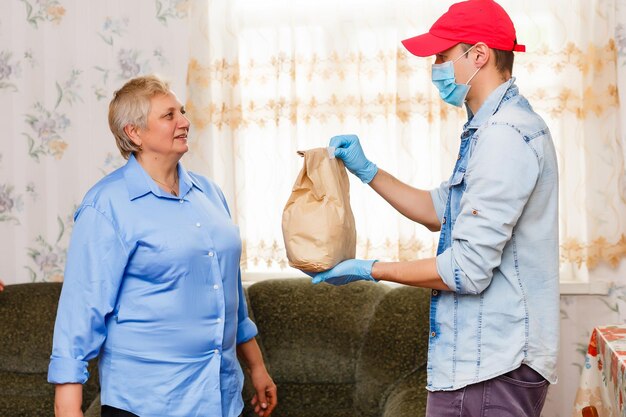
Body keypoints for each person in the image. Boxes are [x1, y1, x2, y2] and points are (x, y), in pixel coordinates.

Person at [313, 1, 559, 416]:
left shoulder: (504, 137)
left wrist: (371, 269)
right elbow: (438, 208)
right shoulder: (490, 129)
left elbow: (466, 270)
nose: (436, 69)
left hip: (491, 364)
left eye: (443, 57)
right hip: (487, 360)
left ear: (478, 55)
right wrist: (367, 171)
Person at [48, 75, 276, 417]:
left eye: (181, 111)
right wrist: (67, 406)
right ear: (134, 133)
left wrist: (256, 367)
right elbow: (81, 310)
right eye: (169, 115)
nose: (184, 121)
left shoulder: (210, 194)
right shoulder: (106, 205)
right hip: (147, 403)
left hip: (221, 398)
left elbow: (228, 292)